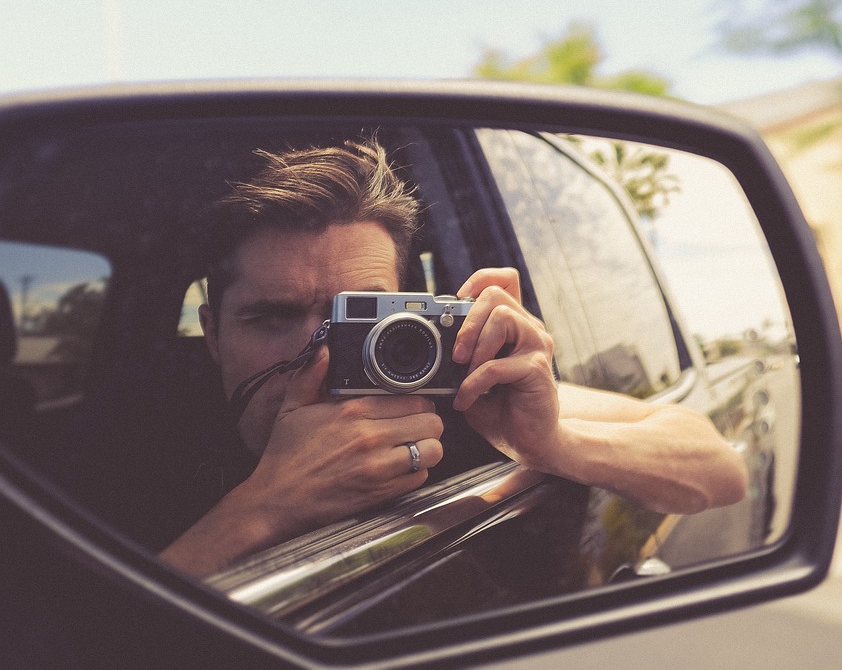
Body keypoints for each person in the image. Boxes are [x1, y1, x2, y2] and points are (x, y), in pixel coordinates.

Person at [158, 139, 748, 578]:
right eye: (271, 318)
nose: (319, 350)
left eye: (356, 318)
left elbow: (719, 468)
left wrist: (553, 445)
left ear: (407, 312)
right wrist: (268, 506)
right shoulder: (136, 447)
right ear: (211, 333)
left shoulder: (461, 397)